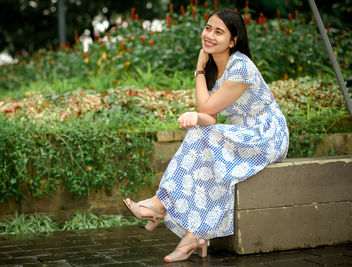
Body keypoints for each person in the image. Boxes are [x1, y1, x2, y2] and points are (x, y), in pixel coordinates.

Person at [123, 8, 289, 263]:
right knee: (204, 142)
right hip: (239, 134)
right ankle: (193, 236)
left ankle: (161, 204)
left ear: (233, 41)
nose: (209, 35)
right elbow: (209, 117)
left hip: (266, 135)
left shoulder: (241, 66)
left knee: (204, 138)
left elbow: (206, 110)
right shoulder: (216, 67)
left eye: (219, 32)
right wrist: (197, 114)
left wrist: (199, 70)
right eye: (208, 28)